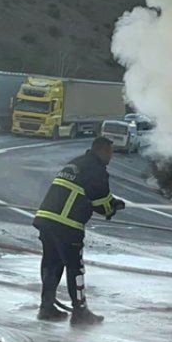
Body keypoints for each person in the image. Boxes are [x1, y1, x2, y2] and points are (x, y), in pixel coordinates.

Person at [32, 136, 125, 325]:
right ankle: (80, 312)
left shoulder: (76, 164)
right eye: (110, 152)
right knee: (76, 268)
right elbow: (102, 204)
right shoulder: (96, 170)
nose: (111, 157)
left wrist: (108, 203)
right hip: (67, 225)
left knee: (52, 264)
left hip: (46, 220)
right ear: (102, 150)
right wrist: (113, 206)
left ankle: (46, 307)